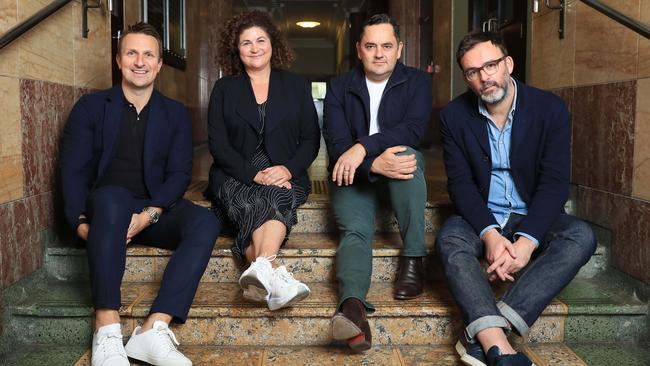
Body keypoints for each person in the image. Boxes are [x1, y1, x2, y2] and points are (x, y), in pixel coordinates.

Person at [60, 22, 220, 366]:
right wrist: (80, 224)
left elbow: (180, 174)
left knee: (205, 221)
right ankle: (106, 327)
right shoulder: (89, 109)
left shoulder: (175, 113)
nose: (140, 61)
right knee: (114, 196)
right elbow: (72, 172)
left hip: (149, 210)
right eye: (131, 53)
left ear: (160, 64)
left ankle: (153, 328)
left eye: (149, 54)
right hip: (106, 208)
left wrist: (150, 214)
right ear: (119, 60)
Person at [436, 31, 596, 366]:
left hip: (531, 212)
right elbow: (461, 185)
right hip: (483, 212)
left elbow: (555, 184)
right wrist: (490, 234)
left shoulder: (549, 109)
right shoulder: (453, 116)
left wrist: (526, 243)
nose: (485, 77)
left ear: (508, 64)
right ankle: (500, 347)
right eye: (473, 72)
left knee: (581, 236)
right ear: (466, 78)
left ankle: (487, 333)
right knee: (450, 238)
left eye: (491, 65)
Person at [323, 14, 432, 352]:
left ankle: (413, 258)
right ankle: (352, 307)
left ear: (400, 49)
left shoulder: (416, 81)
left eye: (387, 46)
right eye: (371, 46)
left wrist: (365, 147)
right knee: (355, 229)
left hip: (395, 166)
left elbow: (413, 129)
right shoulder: (339, 87)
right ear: (359, 50)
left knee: (405, 157)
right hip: (353, 175)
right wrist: (372, 164)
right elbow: (338, 145)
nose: (379, 53)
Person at [205, 11, 320, 311]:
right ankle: (274, 275)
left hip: (284, 169)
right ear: (236, 49)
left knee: (278, 192)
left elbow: (311, 139)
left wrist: (289, 169)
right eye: (246, 43)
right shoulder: (224, 89)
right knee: (259, 199)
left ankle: (258, 269)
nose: (254, 48)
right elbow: (218, 144)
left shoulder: (295, 85)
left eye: (260, 40)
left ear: (273, 44)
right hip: (235, 171)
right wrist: (252, 174)